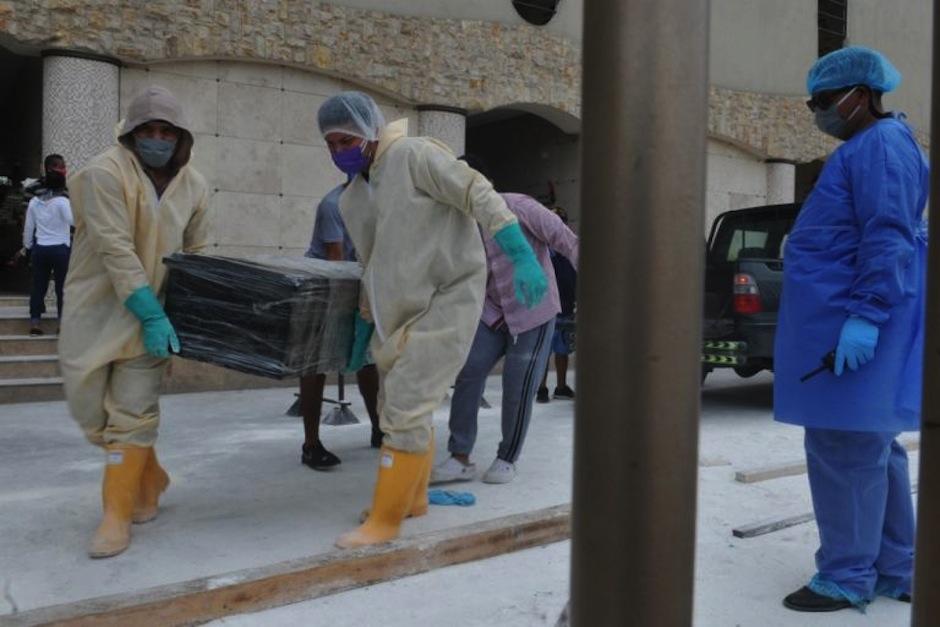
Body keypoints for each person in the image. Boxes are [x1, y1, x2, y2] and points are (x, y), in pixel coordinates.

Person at [317, 91, 548, 548]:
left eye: (345, 139)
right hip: (396, 315)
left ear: (369, 130)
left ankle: (386, 519)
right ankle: (414, 498)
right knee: (400, 407)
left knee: (403, 408)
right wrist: (366, 322)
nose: (338, 151)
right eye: (330, 144)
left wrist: (519, 251)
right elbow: (374, 262)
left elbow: (475, 190)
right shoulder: (354, 197)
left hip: (447, 299)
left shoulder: (414, 154)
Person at [774, 47, 927, 612]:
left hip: (854, 324)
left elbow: (888, 235)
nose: (818, 112)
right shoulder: (871, 147)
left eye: (822, 101)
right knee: (871, 447)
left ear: (859, 95)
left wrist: (865, 314)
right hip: (845, 320)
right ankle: (894, 566)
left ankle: (847, 574)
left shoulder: (882, 147)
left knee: (844, 448)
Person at [59, 86, 210, 558]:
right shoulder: (101, 175)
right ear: (131, 133)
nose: (158, 139)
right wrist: (146, 311)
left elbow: (197, 253)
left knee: (134, 415)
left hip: (157, 319)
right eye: (148, 130)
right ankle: (150, 475)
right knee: (91, 414)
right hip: (98, 311)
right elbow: (114, 249)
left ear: (181, 137)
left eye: (167, 131)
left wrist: (183, 314)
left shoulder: (195, 185)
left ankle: (116, 515)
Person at [432, 158, 578, 485]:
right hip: (491, 312)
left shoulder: (518, 206)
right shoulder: (456, 222)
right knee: (468, 372)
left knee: (518, 383)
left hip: (533, 309)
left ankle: (506, 457)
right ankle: (459, 456)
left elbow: (568, 242)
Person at [298, 182, 383, 470]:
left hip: (359, 285)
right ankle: (311, 445)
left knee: (368, 361)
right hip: (325, 288)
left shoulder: (382, 201)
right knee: (316, 365)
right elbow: (336, 262)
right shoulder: (333, 205)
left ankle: (378, 428)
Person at [18, 154, 72, 335]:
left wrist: (27, 246)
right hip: (61, 249)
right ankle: (62, 324)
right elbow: (74, 222)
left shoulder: (34, 201)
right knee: (62, 287)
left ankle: (35, 323)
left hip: (40, 248)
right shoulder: (64, 200)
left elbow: (28, 226)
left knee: (38, 285)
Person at [537, 206, 577, 403]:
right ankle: (541, 389)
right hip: (546, 308)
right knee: (544, 350)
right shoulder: (541, 248)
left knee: (562, 349)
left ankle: (561, 388)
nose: (558, 223)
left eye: (561, 219)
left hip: (566, 306)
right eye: (554, 219)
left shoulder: (569, 248)